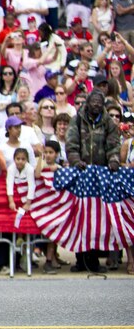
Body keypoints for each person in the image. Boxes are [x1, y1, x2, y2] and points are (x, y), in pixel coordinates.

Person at [65, 88, 119, 274]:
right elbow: (71, 144)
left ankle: (94, 258)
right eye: (93, 101)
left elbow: (113, 145)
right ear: (87, 103)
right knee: (81, 218)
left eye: (99, 101)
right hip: (81, 174)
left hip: (101, 176)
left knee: (97, 219)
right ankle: (81, 259)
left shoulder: (109, 122)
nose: (96, 104)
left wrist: (113, 161)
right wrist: (75, 161)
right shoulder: (77, 120)